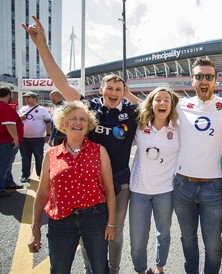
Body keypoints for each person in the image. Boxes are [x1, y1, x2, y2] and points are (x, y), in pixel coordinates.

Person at [23, 16, 140, 274]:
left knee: (115, 234)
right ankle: (93, 269)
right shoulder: (90, 107)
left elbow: (160, 107)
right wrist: (42, 45)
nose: (113, 92)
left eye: (118, 89)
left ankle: (114, 269)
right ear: (101, 90)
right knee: (93, 235)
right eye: (109, 87)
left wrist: (128, 93)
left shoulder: (132, 112)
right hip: (89, 182)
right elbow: (61, 81)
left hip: (118, 183)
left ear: (124, 92)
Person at [27, 100, 116, 274]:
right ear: (63, 123)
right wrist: (35, 228)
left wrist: (111, 223)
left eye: (83, 119)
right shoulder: (51, 154)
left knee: (100, 268)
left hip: (94, 218)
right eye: (72, 118)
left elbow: (109, 190)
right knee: (59, 269)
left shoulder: (99, 151)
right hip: (60, 222)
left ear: (88, 124)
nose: (78, 122)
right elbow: (42, 193)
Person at [172, 57, 222, 274]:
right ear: (191, 80)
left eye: (209, 77)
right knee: (187, 239)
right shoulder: (180, 106)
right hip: (182, 186)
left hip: (213, 187)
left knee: (213, 245)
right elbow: (150, 110)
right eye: (199, 76)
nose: (204, 81)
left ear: (215, 80)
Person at [129, 87, 180, 274]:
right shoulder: (140, 126)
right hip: (139, 190)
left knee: (164, 234)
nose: (162, 103)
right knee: (138, 238)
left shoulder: (178, 127)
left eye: (167, 100)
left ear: (172, 105)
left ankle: (160, 267)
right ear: (151, 103)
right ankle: (141, 270)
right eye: (158, 99)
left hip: (166, 191)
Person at [18, 91, 51, 183]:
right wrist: (20, 118)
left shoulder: (42, 109)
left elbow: (48, 122)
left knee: (39, 157)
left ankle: (40, 175)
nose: (26, 99)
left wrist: (48, 134)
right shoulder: (22, 109)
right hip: (24, 138)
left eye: (29, 97)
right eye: (25, 98)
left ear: (35, 98)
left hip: (38, 138)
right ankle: (25, 175)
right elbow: (16, 121)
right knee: (25, 157)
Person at [0, 86, 24, 197]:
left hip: (3, 141)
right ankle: (1, 187)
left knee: (7, 164)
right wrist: (15, 138)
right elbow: (9, 123)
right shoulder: (4, 107)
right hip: (6, 141)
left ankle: (8, 183)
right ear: (8, 95)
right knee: (4, 165)